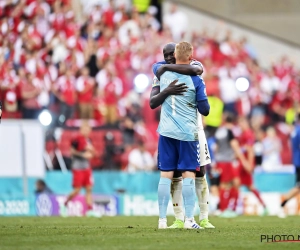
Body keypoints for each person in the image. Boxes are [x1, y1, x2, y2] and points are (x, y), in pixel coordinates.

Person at [151, 43, 215, 229]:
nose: (169, 58)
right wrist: (167, 88)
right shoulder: (162, 72)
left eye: (172, 55)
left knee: (200, 173)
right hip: (187, 131)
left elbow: (197, 68)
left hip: (193, 130)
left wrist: (166, 68)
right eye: (166, 56)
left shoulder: (166, 70)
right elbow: (153, 101)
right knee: (182, 174)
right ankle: (182, 219)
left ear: (177, 54)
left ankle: (203, 217)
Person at [214, 113, 251, 217]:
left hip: (220, 160)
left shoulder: (219, 131)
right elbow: (235, 146)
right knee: (230, 183)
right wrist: (244, 161)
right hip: (227, 161)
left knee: (227, 184)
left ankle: (225, 208)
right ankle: (226, 209)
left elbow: (215, 147)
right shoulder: (229, 131)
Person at [62, 121, 99, 217]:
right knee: (77, 190)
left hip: (87, 168)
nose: (86, 131)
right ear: (81, 130)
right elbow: (72, 151)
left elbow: (93, 154)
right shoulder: (77, 139)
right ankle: (65, 204)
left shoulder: (89, 140)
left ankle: (90, 210)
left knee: (89, 189)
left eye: (88, 129)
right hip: (78, 168)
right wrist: (83, 154)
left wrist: (92, 153)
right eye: (84, 129)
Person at [237, 117, 268, 215]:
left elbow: (250, 150)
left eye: (241, 123)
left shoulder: (248, 134)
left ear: (246, 123)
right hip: (243, 163)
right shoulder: (242, 134)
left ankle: (232, 208)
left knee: (238, 183)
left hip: (245, 163)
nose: (240, 125)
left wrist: (249, 164)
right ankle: (263, 206)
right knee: (244, 185)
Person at [278, 114, 300, 218]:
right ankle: (284, 199)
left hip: (297, 161)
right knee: (298, 186)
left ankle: (284, 200)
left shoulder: (295, 130)